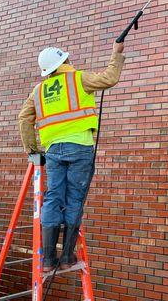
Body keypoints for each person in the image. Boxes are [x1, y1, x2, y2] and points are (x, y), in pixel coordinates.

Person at [18, 41, 125, 272]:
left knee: (53, 197)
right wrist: (116, 53)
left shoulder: (39, 91)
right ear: (64, 62)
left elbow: (23, 118)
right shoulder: (79, 78)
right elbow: (109, 78)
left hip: (54, 150)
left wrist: (32, 150)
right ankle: (67, 256)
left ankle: (47, 259)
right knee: (74, 199)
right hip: (80, 148)